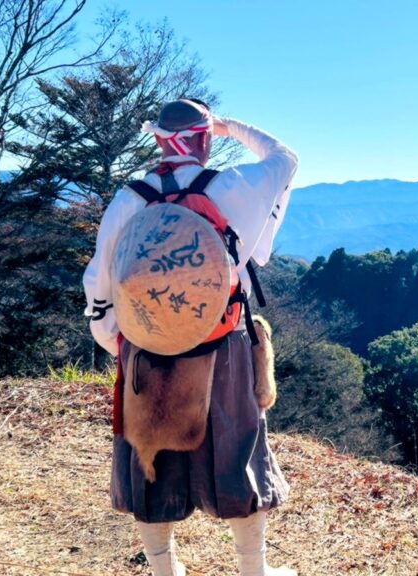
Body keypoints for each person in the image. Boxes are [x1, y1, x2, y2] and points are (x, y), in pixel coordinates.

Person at [83, 99, 299, 576]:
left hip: (146, 350)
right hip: (222, 344)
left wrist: (123, 341)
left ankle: (165, 570)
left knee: (148, 457)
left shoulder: (130, 198)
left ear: (157, 140)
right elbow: (285, 158)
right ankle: (253, 570)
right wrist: (232, 127)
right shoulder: (230, 188)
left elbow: (99, 284)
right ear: (205, 138)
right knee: (239, 451)